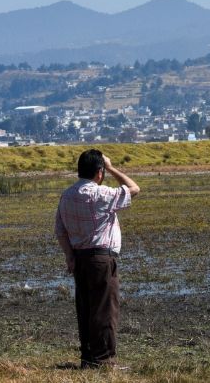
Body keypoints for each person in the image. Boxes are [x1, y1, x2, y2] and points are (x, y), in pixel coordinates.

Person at [55, 149, 140, 369]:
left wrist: (69, 256)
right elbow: (134, 189)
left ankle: (89, 358)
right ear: (99, 173)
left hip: (79, 259)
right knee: (104, 310)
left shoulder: (67, 196)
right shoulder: (101, 195)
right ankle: (105, 361)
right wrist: (112, 167)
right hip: (102, 259)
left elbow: (60, 231)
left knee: (85, 310)